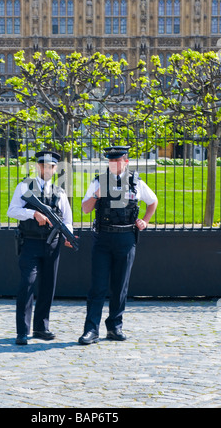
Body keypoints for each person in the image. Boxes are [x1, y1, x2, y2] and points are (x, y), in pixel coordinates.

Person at [78, 145, 158, 345]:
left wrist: (145, 221)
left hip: (126, 238)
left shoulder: (136, 182)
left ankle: (115, 327)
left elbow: (153, 201)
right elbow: (85, 209)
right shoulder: (99, 181)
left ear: (126, 161)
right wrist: (97, 194)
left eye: (117, 160)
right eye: (110, 161)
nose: (113, 164)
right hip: (103, 238)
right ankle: (91, 330)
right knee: (97, 286)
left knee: (120, 286)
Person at [7, 151, 73, 345]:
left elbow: (67, 220)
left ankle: (41, 328)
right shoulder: (24, 187)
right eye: (42, 165)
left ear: (55, 169)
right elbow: (12, 211)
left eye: (50, 166)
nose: (46, 169)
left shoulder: (59, 192)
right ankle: (22, 331)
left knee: (48, 286)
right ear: (38, 167)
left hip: (52, 244)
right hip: (31, 242)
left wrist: (69, 236)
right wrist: (32, 213)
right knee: (27, 284)